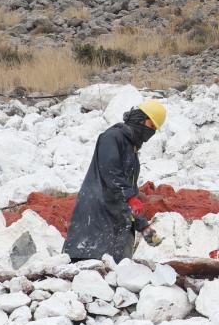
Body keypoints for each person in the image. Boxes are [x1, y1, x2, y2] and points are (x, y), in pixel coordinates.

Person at [63, 99, 167, 261]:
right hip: (97, 213)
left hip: (116, 217)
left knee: (117, 274)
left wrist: (143, 226)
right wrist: (131, 197)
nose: (150, 132)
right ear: (139, 118)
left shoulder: (131, 149)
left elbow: (127, 191)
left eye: (154, 129)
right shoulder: (112, 137)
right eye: (150, 125)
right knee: (88, 267)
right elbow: (111, 172)